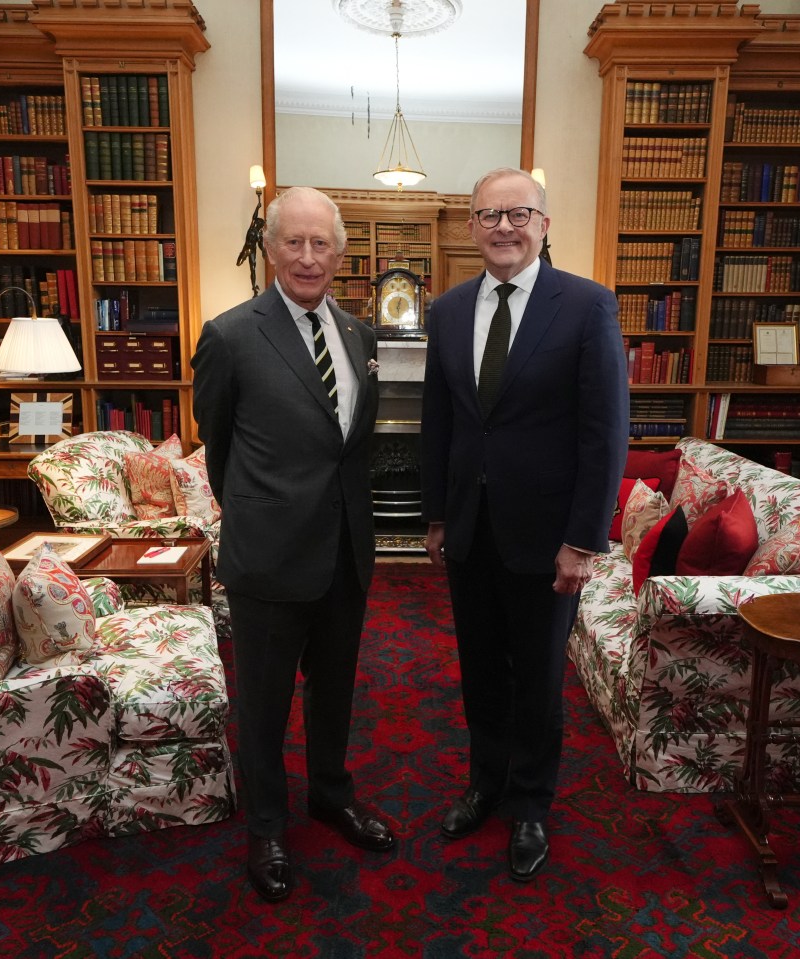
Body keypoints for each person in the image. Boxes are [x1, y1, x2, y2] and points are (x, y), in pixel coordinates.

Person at [420, 167, 629, 882]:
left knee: (538, 678)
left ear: (544, 222)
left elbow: (606, 434)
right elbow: (439, 421)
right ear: (471, 226)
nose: (503, 227)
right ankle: (486, 783)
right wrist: (437, 513)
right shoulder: (447, 310)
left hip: (549, 538)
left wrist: (584, 538)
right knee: (480, 668)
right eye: (488, 215)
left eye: (518, 213)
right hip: (471, 531)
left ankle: (532, 804)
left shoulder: (587, 305)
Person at [192, 186, 394, 904]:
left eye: (322, 244)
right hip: (269, 555)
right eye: (294, 242)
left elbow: (353, 448)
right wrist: (261, 512)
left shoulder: (363, 335)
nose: (309, 256)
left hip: (345, 550)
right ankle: (267, 827)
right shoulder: (229, 333)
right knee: (266, 704)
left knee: (334, 690)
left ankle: (330, 795)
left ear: (342, 255)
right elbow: (220, 450)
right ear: (270, 247)